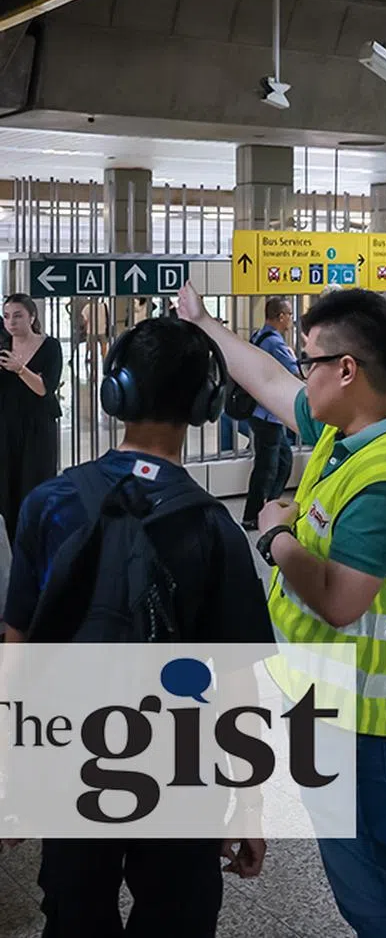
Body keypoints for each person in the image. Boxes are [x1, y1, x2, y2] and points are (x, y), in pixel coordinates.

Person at [177, 282, 386, 938]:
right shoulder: (351, 429)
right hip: (341, 708)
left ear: (345, 370)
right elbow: (265, 379)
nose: (299, 372)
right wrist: (204, 322)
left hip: (357, 720)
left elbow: (340, 601)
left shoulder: (381, 479)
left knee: (367, 889)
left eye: (310, 360)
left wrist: (276, 535)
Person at [2, 316, 272, 936]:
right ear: (207, 405)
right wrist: (250, 805)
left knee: (74, 914)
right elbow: (235, 683)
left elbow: (15, 649)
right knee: (177, 915)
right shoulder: (216, 529)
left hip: (71, 754)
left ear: (114, 392)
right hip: (180, 765)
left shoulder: (48, 504)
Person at [0, 294, 63, 544]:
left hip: (37, 427)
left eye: (18, 316)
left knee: (35, 484)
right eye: (6, 317)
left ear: (32, 317)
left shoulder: (50, 347)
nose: (11, 322)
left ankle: (36, 542)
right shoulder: (3, 345)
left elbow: (44, 388)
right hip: (5, 426)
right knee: (6, 484)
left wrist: (20, 369)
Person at [241, 296, 300, 530]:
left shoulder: (259, 335)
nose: (291, 321)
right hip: (269, 413)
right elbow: (295, 373)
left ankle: (270, 506)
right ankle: (253, 515)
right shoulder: (275, 343)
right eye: (290, 316)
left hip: (259, 411)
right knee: (267, 467)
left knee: (283, 460)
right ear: (281, 316)